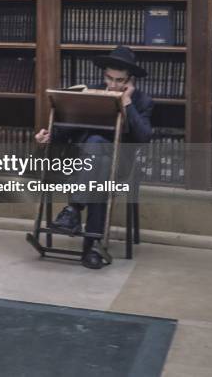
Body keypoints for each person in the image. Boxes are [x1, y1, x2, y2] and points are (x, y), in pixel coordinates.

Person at [35, 46, 153, 270]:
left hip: (121, 166)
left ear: (130, 80)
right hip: (85, 165)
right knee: (99, 165)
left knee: (98, 149)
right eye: (109, 78)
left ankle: (73, 210)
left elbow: (144, 137)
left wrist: (126, 103)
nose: (113, 84)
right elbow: (69, 126)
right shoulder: (91, 92)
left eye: (120, 80)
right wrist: (49, 136)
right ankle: (92, 248)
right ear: (104, 75)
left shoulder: (141, 101)